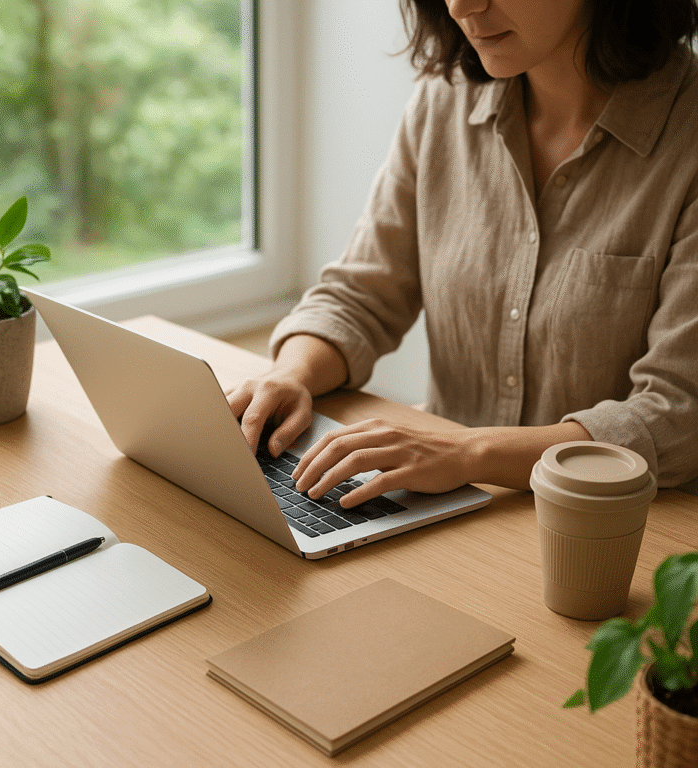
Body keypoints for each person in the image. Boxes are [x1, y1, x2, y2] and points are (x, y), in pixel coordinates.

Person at [227, 0, 698, 509]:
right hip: (448, 510)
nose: (460, 6)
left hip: (616, 533)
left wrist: (469, 452)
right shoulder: (445, 99)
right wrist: (290, 375)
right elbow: (358, 297)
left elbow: (675, 416)